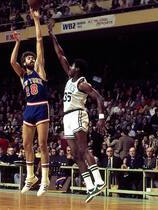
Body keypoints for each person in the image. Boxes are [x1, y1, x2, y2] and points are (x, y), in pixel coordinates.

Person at [48, 20, 106, 203]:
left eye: (72, 66)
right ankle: (90, 187)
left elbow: (100, 98)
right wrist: (51, 34)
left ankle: (99, 181)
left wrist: (101, 118)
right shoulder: (70, 78)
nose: (69, 67)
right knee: (74, 154)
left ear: (78, 68)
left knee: (83, 149)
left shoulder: (82, 83)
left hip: (79, 114)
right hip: (67, 118)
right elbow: (60, 55)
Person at [10, 9, 50, 196]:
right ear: (24, 61)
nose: (31, 58)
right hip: (29, 109)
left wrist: (36, 21)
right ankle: (30, 177)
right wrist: (17, 43)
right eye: (28, 57)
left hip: (41, 107)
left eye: (32, 57)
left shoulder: (39, 70)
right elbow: (12, 61)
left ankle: (45, 179)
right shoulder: (22, 75)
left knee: (42, 144)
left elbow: (39, 42)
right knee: (26, 145)